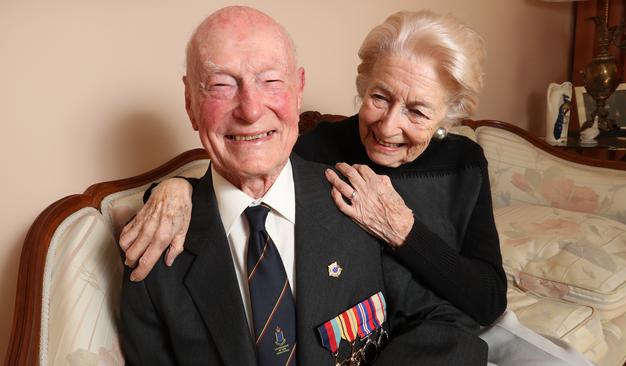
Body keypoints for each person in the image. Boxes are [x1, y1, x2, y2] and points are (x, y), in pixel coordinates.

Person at [120, 8, 595, 366]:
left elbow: (485, 302)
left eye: (417, 111)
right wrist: (174, 189)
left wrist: (403, 230)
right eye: (380, 98)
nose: (388, 127)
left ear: (448, 115)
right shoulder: (318, 152)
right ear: (362, 87)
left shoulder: (464, 161)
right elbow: (247, 169)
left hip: (462, 314)